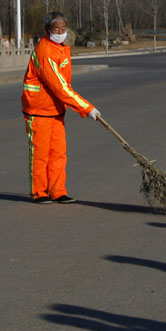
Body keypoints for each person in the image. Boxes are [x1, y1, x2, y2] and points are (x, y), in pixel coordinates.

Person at [21, 11, 99, 204]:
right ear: (47, 30)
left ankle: (58, 191)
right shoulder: (45, 51)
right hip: (38, 110)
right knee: (40, 153)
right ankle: (39, 191)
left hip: (56, 110)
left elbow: (64, 85)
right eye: (57, 29)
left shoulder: (62, 47)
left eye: (64, 28)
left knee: (58, 153)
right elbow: (59, 86)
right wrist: (86, 108)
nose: (61, 32)